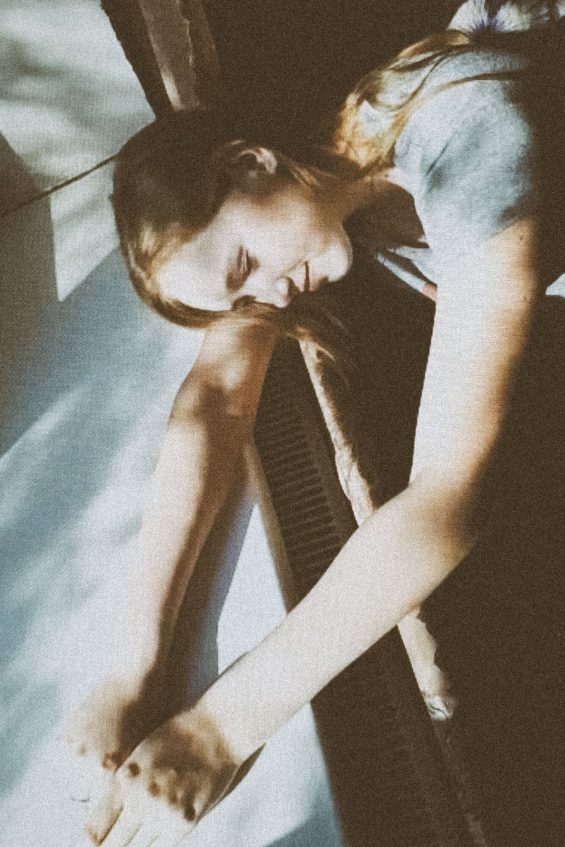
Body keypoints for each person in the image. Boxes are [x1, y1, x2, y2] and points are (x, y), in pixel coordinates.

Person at [66, 3, 565, 844]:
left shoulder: (466, 133)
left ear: (249, 162)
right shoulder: (335, 182)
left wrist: (220, 726)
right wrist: (134, 664)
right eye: (241, 294)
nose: (267, 295)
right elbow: (216, 397)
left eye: (242, 262)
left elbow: (445, 499)